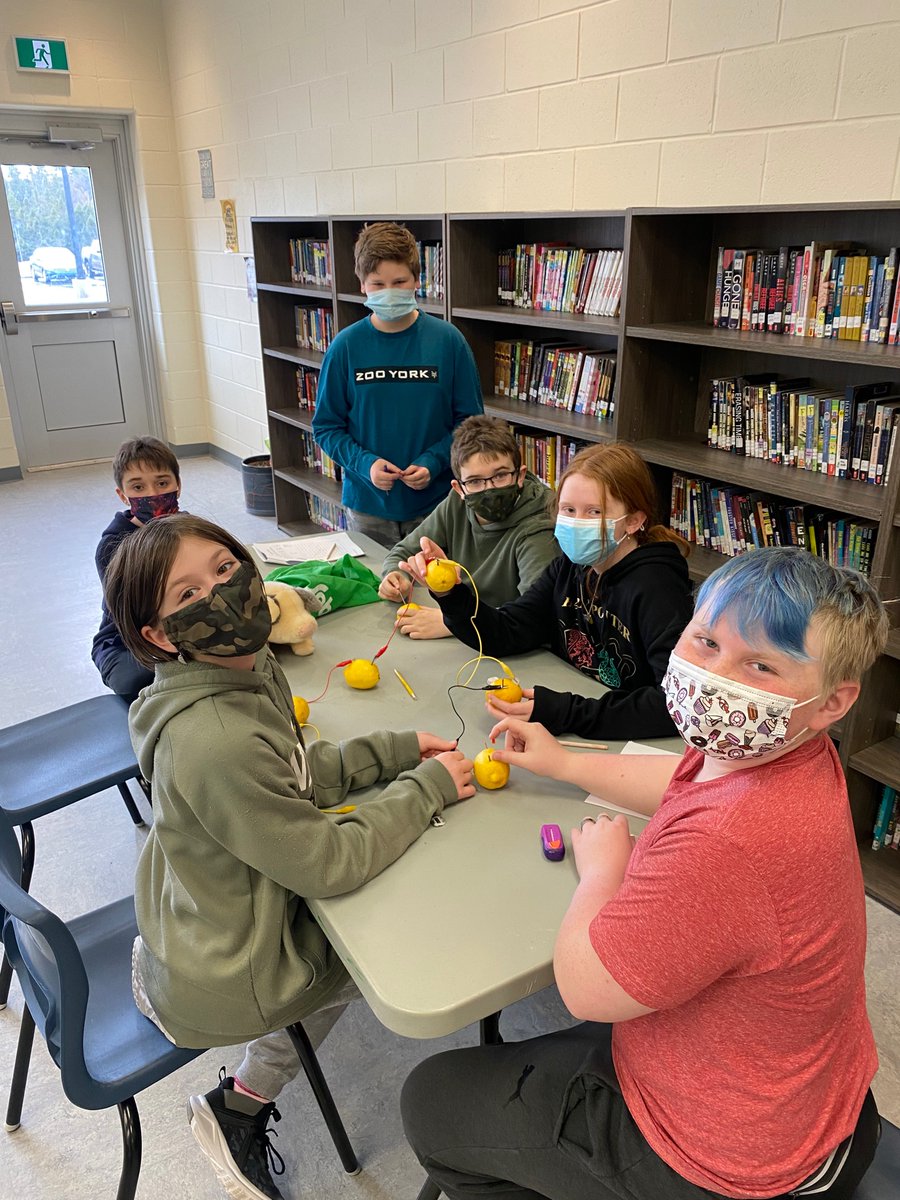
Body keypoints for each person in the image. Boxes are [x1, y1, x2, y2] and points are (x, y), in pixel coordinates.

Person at [402, 546, 887, 1200]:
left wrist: (602, 873)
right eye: (706, 641)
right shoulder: (789, 749)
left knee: (432, 1100)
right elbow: (688, 778)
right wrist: (564, 762)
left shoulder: (728, 844)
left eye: (761, 665)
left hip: (729, 1157)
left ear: (834, 702)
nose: (714, 675)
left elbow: (587, 990)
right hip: (808, 1097)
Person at [103, 513, 475, 1200]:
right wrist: (426, 789)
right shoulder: (216, 738)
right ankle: (238, 1104)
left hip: (192, 914)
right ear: (157, 635)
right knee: (382, 958)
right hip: (224, 969)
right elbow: (328, 864)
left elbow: (292, 772)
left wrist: (391, 752)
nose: (221, 593)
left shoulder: (242, 667)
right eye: (188, 594)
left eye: (224, 568)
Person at [400, 442, 693, 741]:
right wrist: (451, 593)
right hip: (585, 715)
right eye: (568, 510)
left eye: (594, 512)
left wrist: (565, 713)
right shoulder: (571, 566)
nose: (577, 523)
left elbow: (675, 705)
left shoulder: (657, 588)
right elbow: (508, 631)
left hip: (635, 737)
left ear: (633, 521)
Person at [311, 221, 483, 548]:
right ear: (362, 285)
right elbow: (326, 427)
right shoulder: (345, 346)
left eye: (400, 282)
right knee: (375, 580)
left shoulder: (448, 342)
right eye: (378, 284)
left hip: (437, 505)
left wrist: (434, 461)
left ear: (417, 280)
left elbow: (471, 424)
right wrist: (366, 464)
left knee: (439, 579)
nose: (389, 291)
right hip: (368, 506)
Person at [379, 414, 561, 639]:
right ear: (459, 489)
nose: (489, 489)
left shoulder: (538, 528)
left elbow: (534, 617)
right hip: (469, 624)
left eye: (500, 476)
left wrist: (454, 622)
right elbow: (402, 553)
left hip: (504, 638)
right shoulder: (456, 504)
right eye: (475, 481)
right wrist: (396, 577)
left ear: (520, 475)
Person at [91, 436, 182, 702]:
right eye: (138, 487)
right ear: (123, 495)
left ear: (178, 486)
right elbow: (130, 615)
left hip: (183, 625)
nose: (152, 494)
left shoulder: (191, 531)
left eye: (162, 483)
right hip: (125, 640)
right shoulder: (112, 546)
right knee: (140, 678)